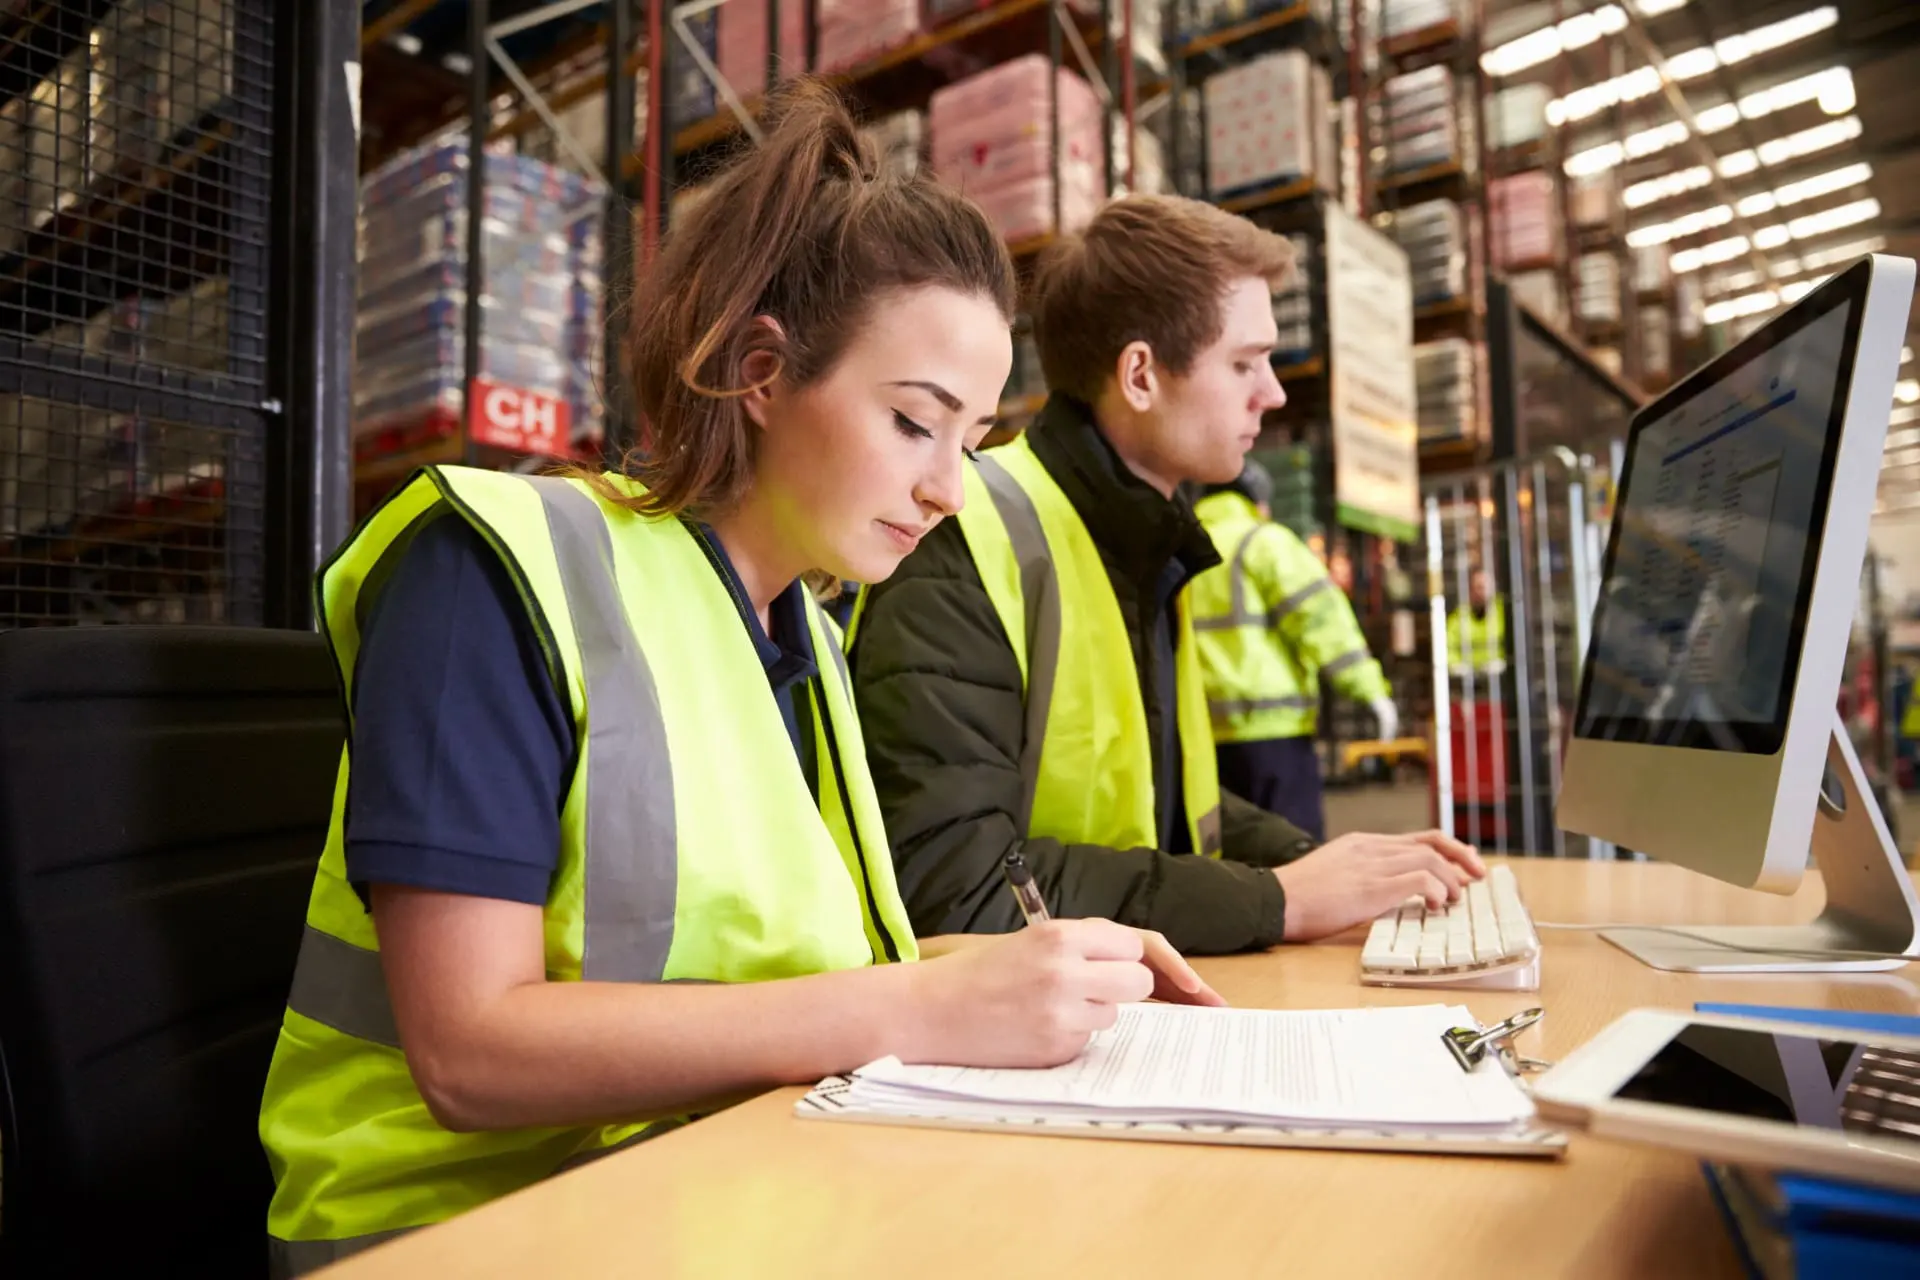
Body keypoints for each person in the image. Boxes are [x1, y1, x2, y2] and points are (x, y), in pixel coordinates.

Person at [257, 84, 1220, 1276]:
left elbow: (791, 969)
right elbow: (468, 1048)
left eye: (970, 442)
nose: (948, 491)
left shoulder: (803, 635)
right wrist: (914, 1007)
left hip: (709, 1185)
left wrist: (1035, 967)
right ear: (762, 372)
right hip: (457, 1232)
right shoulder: (497, 569)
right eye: (916, 423)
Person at [848, 194, 1484, 957]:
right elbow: (958, 886)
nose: (1273, 392)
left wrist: (1321, 864)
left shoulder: (1145, 545)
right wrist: (1275, 899)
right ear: (1141, 375)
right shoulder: (962, 537)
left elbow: (1170, 813)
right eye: (1245, 362)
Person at [1189, 459, 1397, 840]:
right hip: (1273, 733)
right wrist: (1370, 691)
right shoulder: (1263, 541)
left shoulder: (1180, 547)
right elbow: (1319, 620)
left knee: (1226, 857)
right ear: (1257, 501)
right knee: (1292, 850)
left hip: (1200, 738)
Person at [1447, 568, 1507, 675]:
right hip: (1469, 677)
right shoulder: (1459, 615)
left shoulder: (1504, 611)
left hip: (1501, 674)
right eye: (1476, 588)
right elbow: (1448, 647)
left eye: (1483, 587)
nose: (1481, 592)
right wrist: (1456, 666)